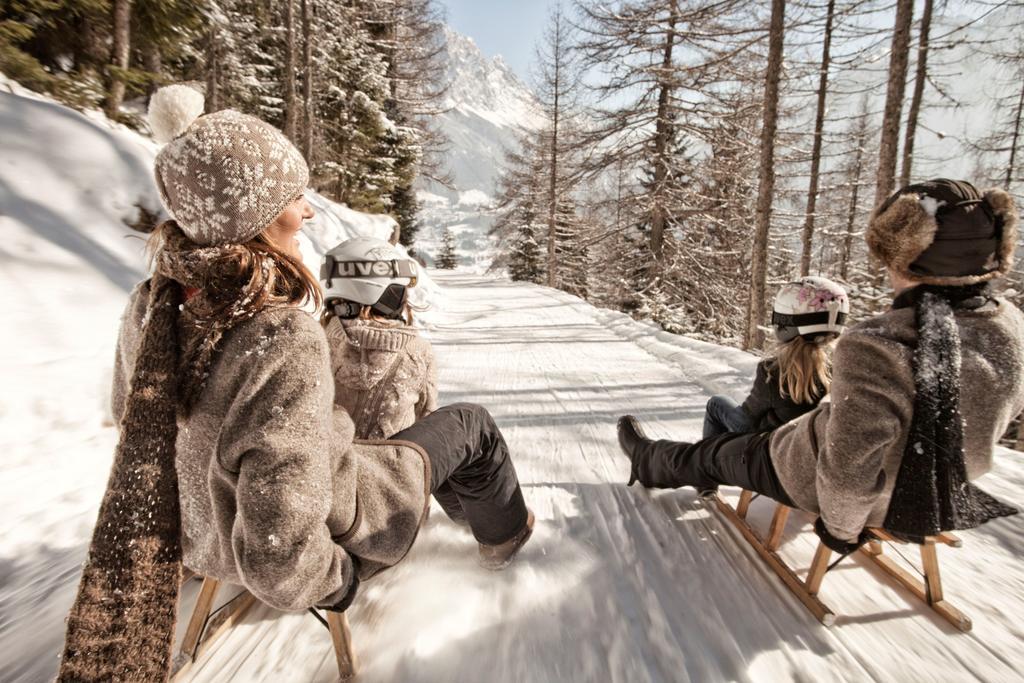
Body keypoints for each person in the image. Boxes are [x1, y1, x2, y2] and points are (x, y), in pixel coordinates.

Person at [59, 84, 532, 681]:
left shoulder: (150, 306)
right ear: (252, 216)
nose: (307, 211)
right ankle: (503, 536)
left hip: (198, 533)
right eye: (293, 196)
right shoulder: (279, 335)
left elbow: (132, 420)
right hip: (336, 525)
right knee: (469, 426)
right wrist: (337, 583)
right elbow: (279, 549)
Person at [618, 178, 1024, 557]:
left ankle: (647, 459)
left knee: (711, 453)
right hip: (932, 499)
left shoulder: (879, 343)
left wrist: (841, 530)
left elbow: (848, 471)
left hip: (810, 475)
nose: (887, 271)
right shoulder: (1010, 328)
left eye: (890, 259)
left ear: (907, 259)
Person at [319, 236, 468, 524]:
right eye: (398, 290)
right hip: (392, 513)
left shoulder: (313, 344)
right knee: (465, 425)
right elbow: (427, 433)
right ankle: (473, 527)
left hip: (327, 507)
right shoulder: (417, 352)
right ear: (383, 293)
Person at [702, 276, 848, 439]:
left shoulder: (772, 371)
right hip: (805, 448)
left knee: (716, 403)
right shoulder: (838, 371)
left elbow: (748, 418)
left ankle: (703, 461)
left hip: (769, 447)